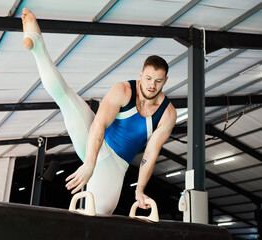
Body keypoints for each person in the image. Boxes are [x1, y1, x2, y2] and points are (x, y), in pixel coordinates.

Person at [22, 8, 177, 215]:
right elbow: (98, 125)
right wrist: (89, 163)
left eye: (158, 81)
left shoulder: (167, 114)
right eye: (148, 79)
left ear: (165, 81)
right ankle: (36, 42)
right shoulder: (122, 91)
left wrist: (139, 189)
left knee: (100, 214)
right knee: (67, 99)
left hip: (115, 165)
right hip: (96, 141)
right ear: (141, 74)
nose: (152, 85)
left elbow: (151, 152)